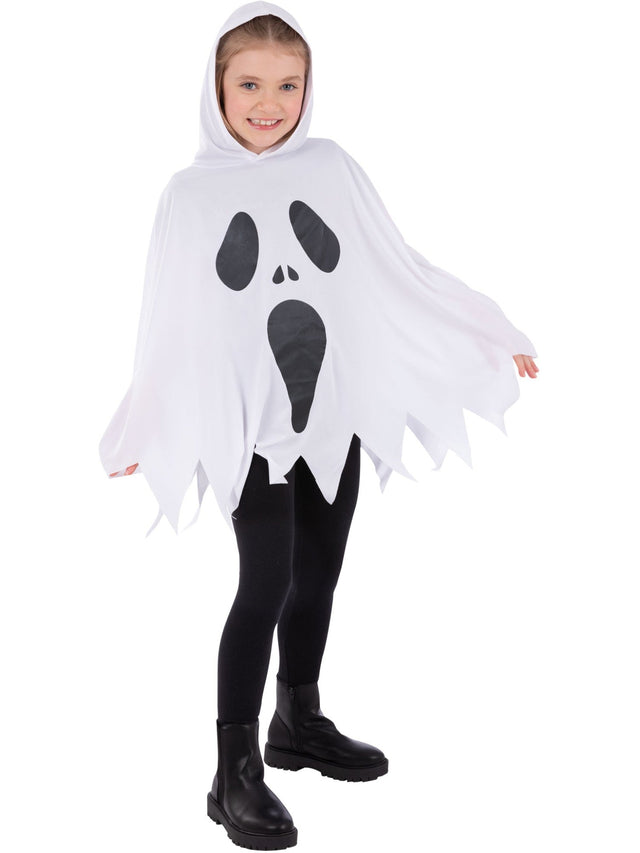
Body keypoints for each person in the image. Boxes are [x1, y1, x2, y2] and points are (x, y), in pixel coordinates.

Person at [99, 2, 538, 849]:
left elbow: (397, 266)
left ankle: (297, 719)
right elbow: (166, 320)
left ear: (309, 87)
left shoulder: (332, 168)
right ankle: (231, 771)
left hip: (329, 414)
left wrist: (487, 329)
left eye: (287, 85)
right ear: (216, 87)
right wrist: (140, 426)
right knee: (263, 582)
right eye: (249, 85)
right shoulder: (190, 195)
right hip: (252, 426)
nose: (269, 104)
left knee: (319, 573)